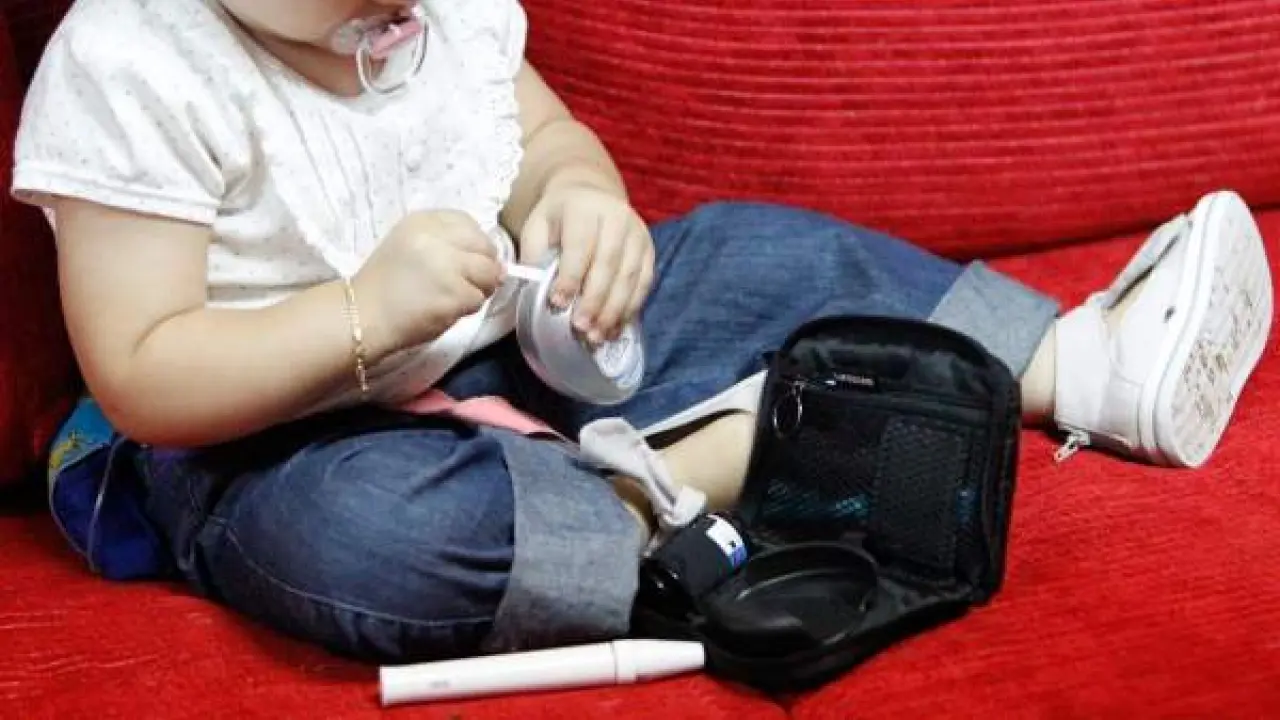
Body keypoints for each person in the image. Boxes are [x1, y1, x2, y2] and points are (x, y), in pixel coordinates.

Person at [10, 0, 1273, 665]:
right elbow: (145, 374)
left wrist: (581, 201)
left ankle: (1082, 366)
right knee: (358, 538)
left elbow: (541, 140)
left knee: (744, 246)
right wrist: (355, 315)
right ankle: (694, 483)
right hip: (277, 435)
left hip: (514, 348)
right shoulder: (135, 63)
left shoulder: (443, 11)